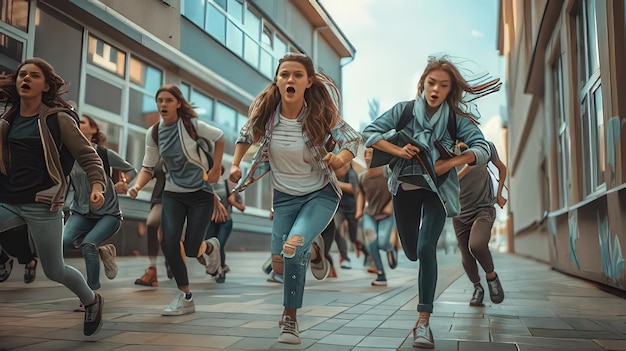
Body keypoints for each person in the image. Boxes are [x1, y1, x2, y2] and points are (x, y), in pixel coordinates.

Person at [362, 55, 497, 349]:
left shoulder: (454, 121)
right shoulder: (403, 111)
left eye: (444, 85)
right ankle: (410, 257)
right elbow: (368, 134)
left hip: (437, 191)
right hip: (405, 189)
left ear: (451, 90)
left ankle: (423, 323)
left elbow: (482, 148)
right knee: (411, 251)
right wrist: (398, 151)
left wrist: (451, 164)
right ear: (422, 83)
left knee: (426, 248)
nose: (436, 89)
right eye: (431, 82)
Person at [229, 53, 360, 345]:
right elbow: (245, 134)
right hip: (285, 199)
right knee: (279, 265)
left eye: (297, 75)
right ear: (277, 80)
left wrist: (339, 160)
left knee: (292, 247)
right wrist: (236, 165)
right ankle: (316, 252)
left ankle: (290, 320)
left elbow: (352, 139)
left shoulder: (320, 114)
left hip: (320, 194)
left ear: (308, 82)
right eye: (285, 74)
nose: (290, 79)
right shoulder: (267, 113)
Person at [0, 57, 106, 336]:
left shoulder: (57, 119)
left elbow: (88, 156)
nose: (25, 79)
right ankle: (6, 256)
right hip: (7, 197)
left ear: (46, 85)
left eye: (34, 76)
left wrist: (97, 187)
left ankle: (91, 300)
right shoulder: (7, 119)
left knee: (55, 270)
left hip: (42, 203)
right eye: (22, 75)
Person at [128, 84, 224, 316]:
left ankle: (210, 247)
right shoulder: (153, 133)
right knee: (169, 241)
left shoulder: (192, 126)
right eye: (159, 100)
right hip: (172, 194)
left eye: (168, 100)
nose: (163, 104)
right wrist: (137, 186)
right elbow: (147, 167)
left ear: (178, 103)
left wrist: (216, 169)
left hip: (200, 194)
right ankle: (186, 297)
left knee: (192, 249)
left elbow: (220, 138)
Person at [63, 114, 137, 292]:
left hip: (108, 214)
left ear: (94, 129)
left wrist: (123, 183)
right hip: (81, 212)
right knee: (64, 242)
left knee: (89, 245)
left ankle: (91, 294)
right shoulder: (69, 156)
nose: (77, 124)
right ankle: (102, 250)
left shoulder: (103, 153)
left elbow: (131, 170)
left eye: (82, 122)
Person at [453, 140, 507, 306]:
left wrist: (499, 194)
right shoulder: (446, 150)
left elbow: (501, 168)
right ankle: (477, 287)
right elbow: (444, 178)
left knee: (476, 245)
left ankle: (491, 276)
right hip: (459, 213)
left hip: (483, 208)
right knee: (466, 257)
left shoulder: (484, 147)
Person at [355, 148, 396, 287]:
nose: (367, 158)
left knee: (382, 242)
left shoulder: (387, 171)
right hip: (369, 214)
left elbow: (396, 189)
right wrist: (359, 210)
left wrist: (390, 205)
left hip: (386, 213)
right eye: (365, 154)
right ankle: (381, 275)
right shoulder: (362, 176)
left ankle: (389, 249)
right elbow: (361, 192)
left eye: (370, 155)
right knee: (371, 243)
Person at [204, 169, 245, 283]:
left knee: (219, 245)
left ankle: (220, 269)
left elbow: (242, 207)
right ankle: (218, 267)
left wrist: (232, 201)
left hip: (226, 221)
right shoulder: (204, 184)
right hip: (211, 221)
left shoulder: (228, 184)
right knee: (210, 246)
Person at [134, 157, 170, 286]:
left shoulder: (186, 146)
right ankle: (152, 268)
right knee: (152, 223)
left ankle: (172, 261)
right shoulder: (158, 154)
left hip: (181, 199)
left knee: (173, 236)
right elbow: (148, 171)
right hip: (160, 198)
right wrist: (137, 187)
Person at [332, 161, 358, 269]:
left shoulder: (351, 174)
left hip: (352, 208)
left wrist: (337, 183)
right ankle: (345, 258)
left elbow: (354, 189)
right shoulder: (332, 174)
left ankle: (367, 254)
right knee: (337, 230)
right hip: (338, 208)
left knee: (354, 237)